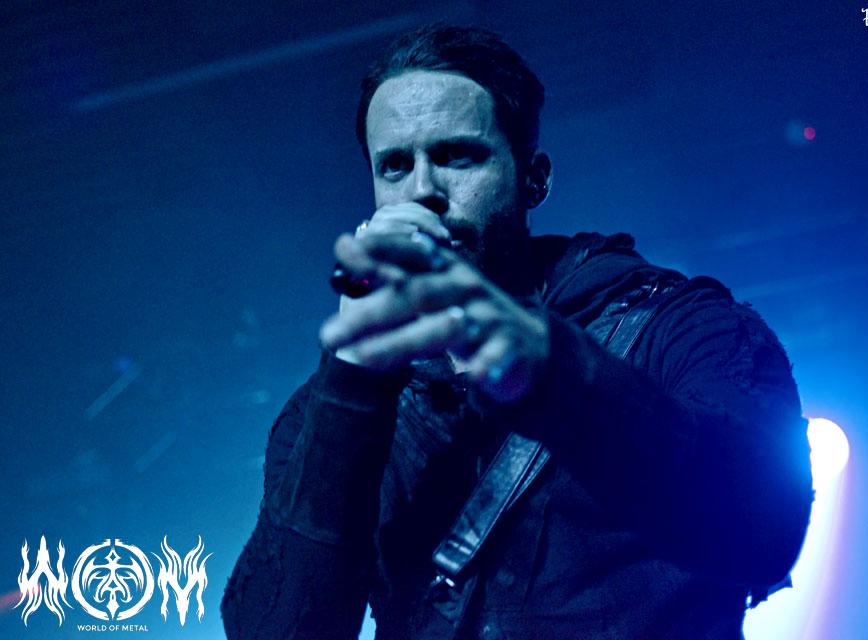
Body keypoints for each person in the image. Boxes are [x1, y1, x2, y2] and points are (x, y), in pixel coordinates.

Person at [221, 24, 812, 640]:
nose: (422, 191)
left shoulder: (677, 327)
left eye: (457, 156)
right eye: (394, 166)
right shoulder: (329, 406)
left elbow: (764, 529)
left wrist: (556, 372)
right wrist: (351, 383)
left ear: (534, 178)